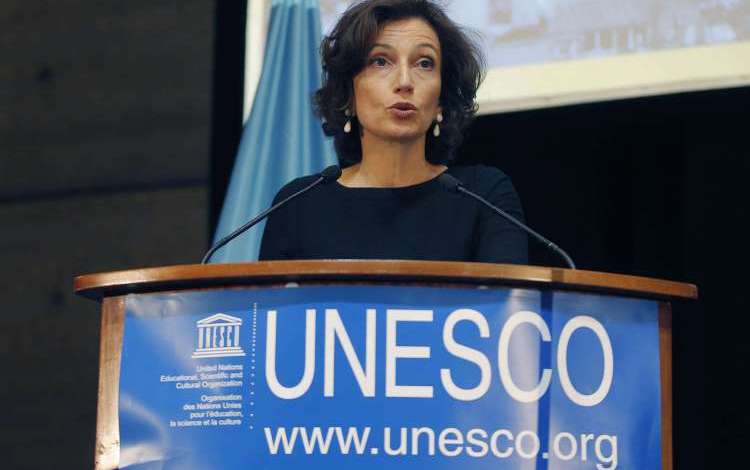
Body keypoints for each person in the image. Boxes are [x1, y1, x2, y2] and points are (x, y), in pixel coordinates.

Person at [259, 0, 528, 264]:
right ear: (348, 95)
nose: (405, 82)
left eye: (424, 63)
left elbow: (508, 293)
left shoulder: (484, 196)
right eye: (381, 61)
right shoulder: (297, 206)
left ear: (441, 100)